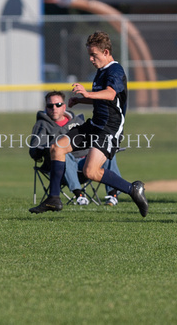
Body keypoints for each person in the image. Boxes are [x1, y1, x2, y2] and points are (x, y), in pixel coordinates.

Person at [29, 31, 148, 217]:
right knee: (56, 148)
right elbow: (103, 100)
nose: (91, 59)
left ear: (106, 52)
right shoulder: (101, 72)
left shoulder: (115, 71)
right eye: (90, 55)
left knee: (91, 171)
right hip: (94, 125)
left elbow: (110, 95)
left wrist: (87, 94)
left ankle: (133, 190)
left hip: (109, 128)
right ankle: (53, 199)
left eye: (95, 55)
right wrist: (81, 101)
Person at [29, 90, 121, 206]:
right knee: (62, 152)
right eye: (50, 105)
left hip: (85, 165)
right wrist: (45, 149)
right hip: (60, 169)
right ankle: (79, 195)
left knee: (105, 151)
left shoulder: (77, 122)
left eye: (58, 105)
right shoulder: (42, 125)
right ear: (46, 108)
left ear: (64, 106)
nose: (54, 108)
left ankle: (113, 195)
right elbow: (34, 150)